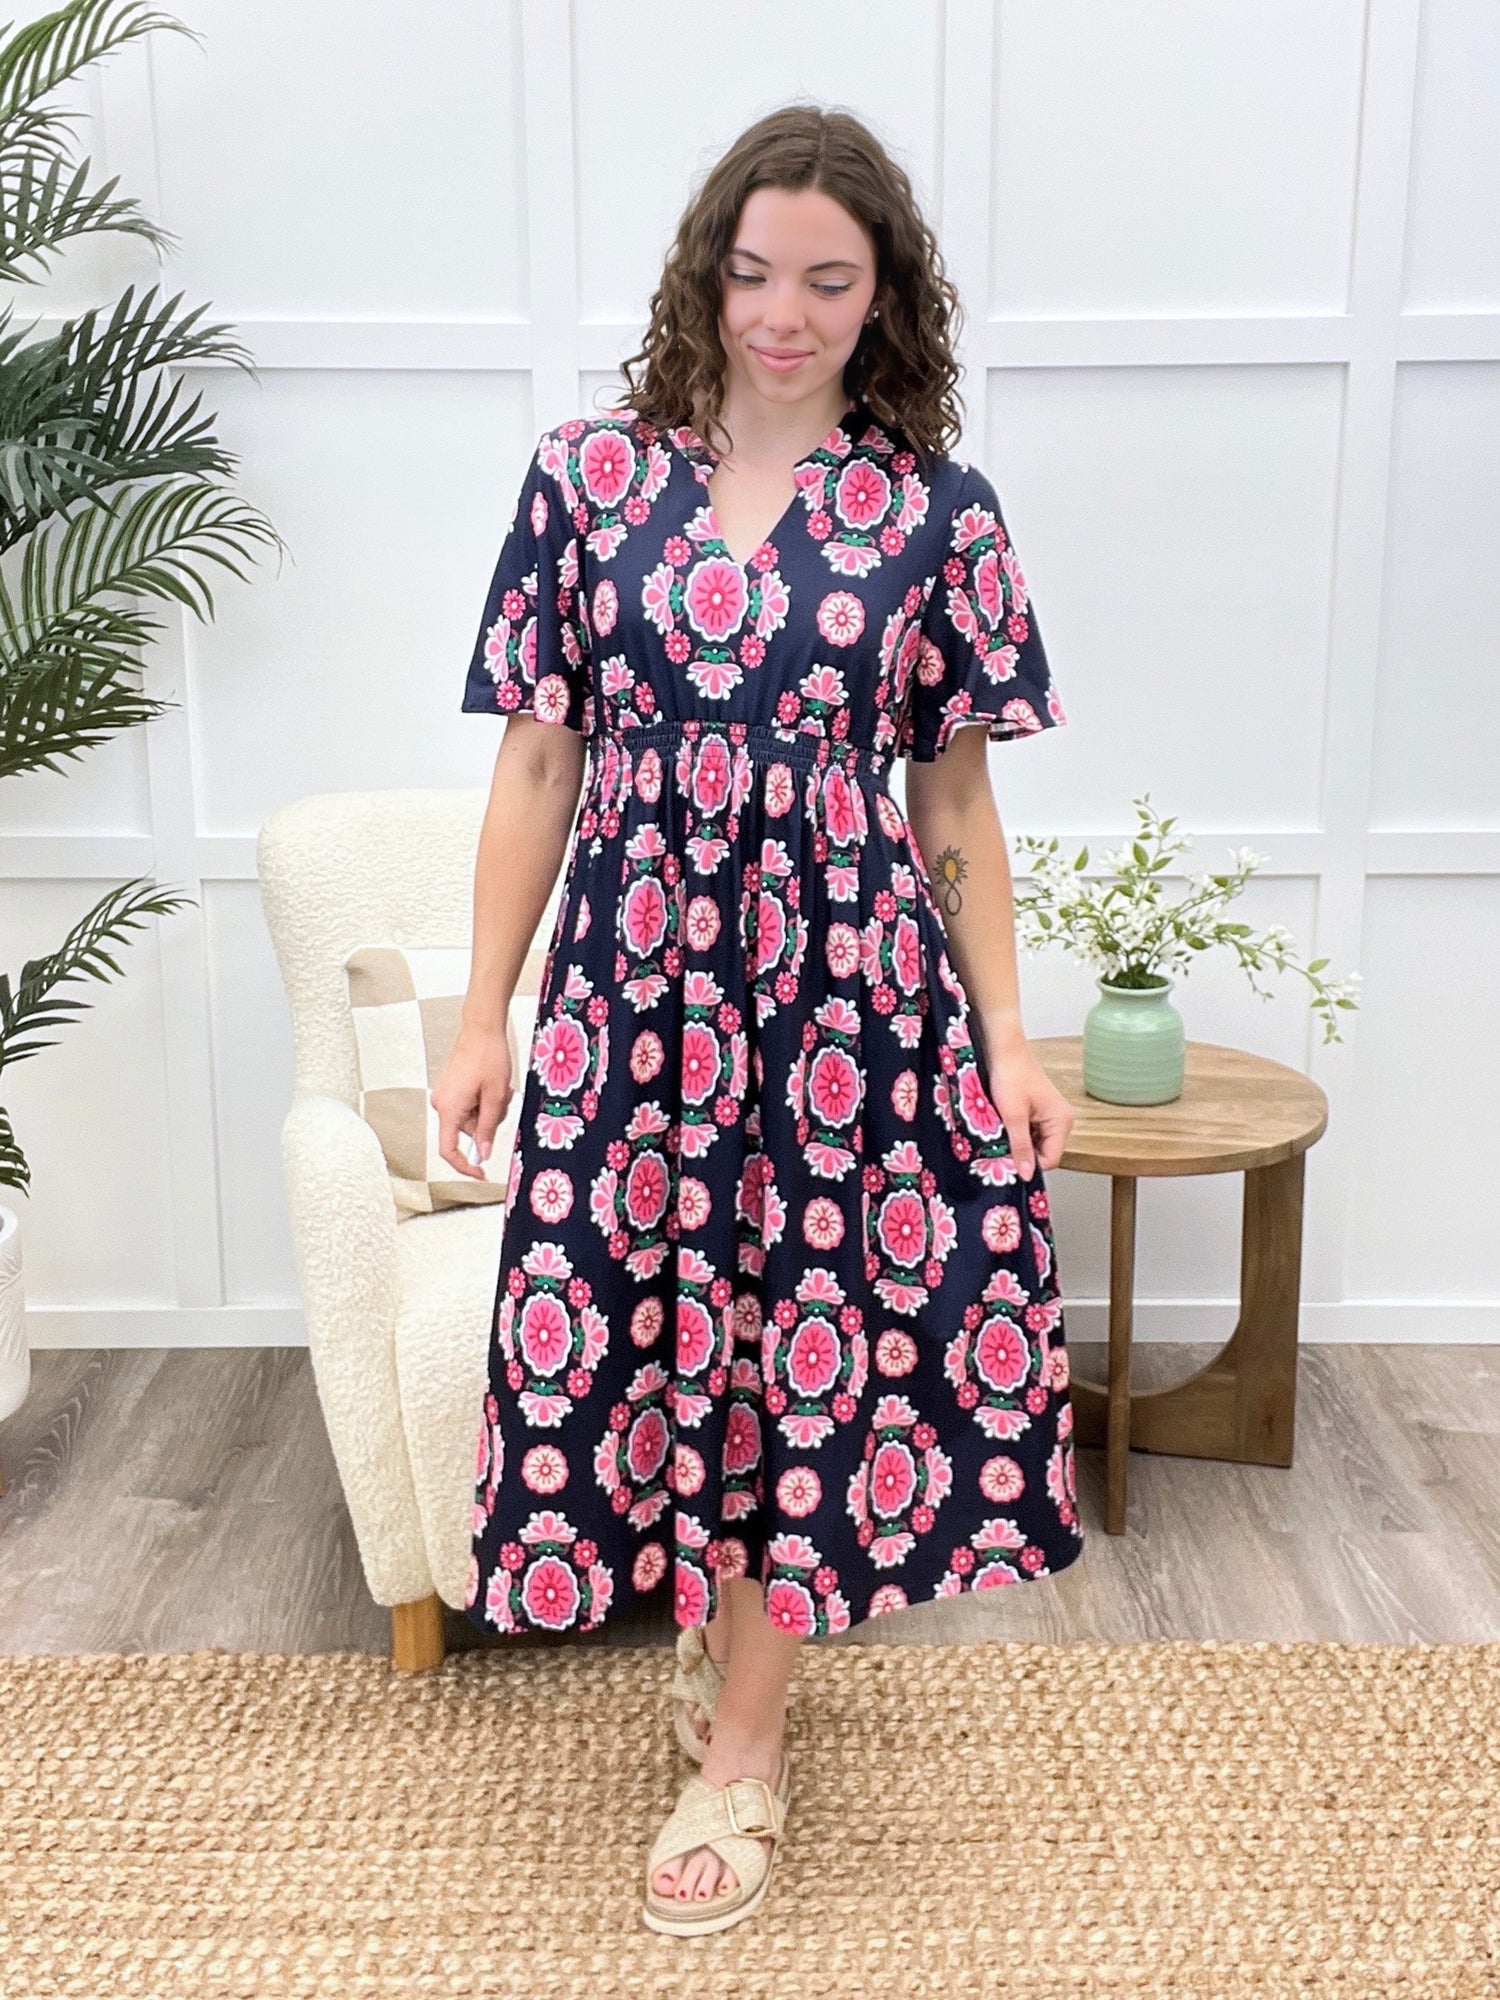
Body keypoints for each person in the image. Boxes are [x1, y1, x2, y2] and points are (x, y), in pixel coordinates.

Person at [434, 102, 1083, 1937]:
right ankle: (720, 1644)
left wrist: (1008, 1032)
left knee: (808, 1337)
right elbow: (538, 761)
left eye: (827, 280)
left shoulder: (936, 511)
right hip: (634, 992)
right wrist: (482, 1014)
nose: (781, 314)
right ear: (703, 272)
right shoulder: (587, 478)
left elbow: (955, 802)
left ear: (886, 298)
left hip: (846, 999)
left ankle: (745, 1742)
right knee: (658, 1318)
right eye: (751, 273)